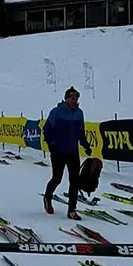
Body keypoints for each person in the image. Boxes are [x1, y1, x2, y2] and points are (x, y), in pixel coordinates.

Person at [43, 87, 90, 220]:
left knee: (74, 181)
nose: (75, 101)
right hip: (58, 151)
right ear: (66, 99)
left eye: (76, 99)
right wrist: (52, 145)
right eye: (72, 98)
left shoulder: (79, 113)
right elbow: (47, 129)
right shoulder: (56, 112)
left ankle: (72, 210)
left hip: (73, 152)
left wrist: (85, 145)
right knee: (57, 178)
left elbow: (81, 132)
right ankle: (47, 197)